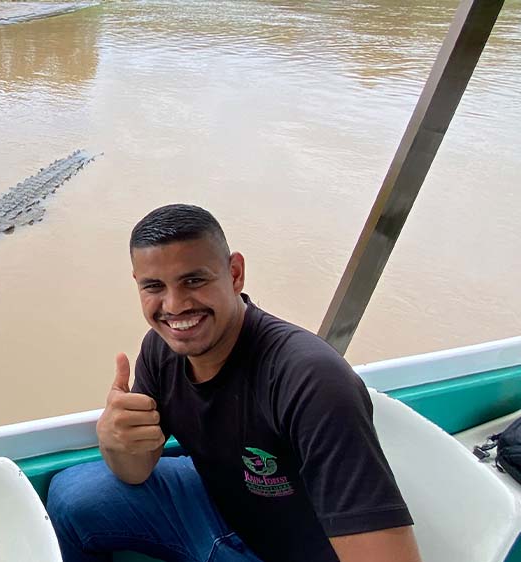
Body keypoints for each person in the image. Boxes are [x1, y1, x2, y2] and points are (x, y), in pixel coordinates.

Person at [46, 204, 422, 562]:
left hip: (289, 551)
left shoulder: (311, 382)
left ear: (235, 273)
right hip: (218, 506)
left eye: (193, 280)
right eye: (154, 286)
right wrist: (116, 442)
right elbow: (136, 471)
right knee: (71, 497)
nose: (174, 306)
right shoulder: (162, 351)